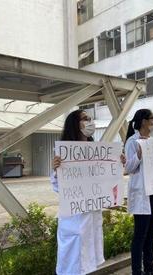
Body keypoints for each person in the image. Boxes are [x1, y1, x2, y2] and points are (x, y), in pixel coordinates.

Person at [51, 109, 125, 275]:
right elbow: (57, 187)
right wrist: (56, 170)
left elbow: (105, 178)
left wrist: (118, 163)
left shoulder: (95, 149)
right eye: (85, 119)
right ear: (74, 124)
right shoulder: (64, 153)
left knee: (88, 260)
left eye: (90, 118)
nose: (90, 122)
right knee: (72, 262)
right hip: (74, 217)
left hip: (91, 213)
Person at [125, 109, 153, 275]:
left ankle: (149, 267)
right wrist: (139, 155)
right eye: (152, 119)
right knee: (140, 234)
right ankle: (137, 271)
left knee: (151, 232)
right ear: (143, 121)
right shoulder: (132, 142)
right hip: (142, 192)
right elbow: (128, 168)